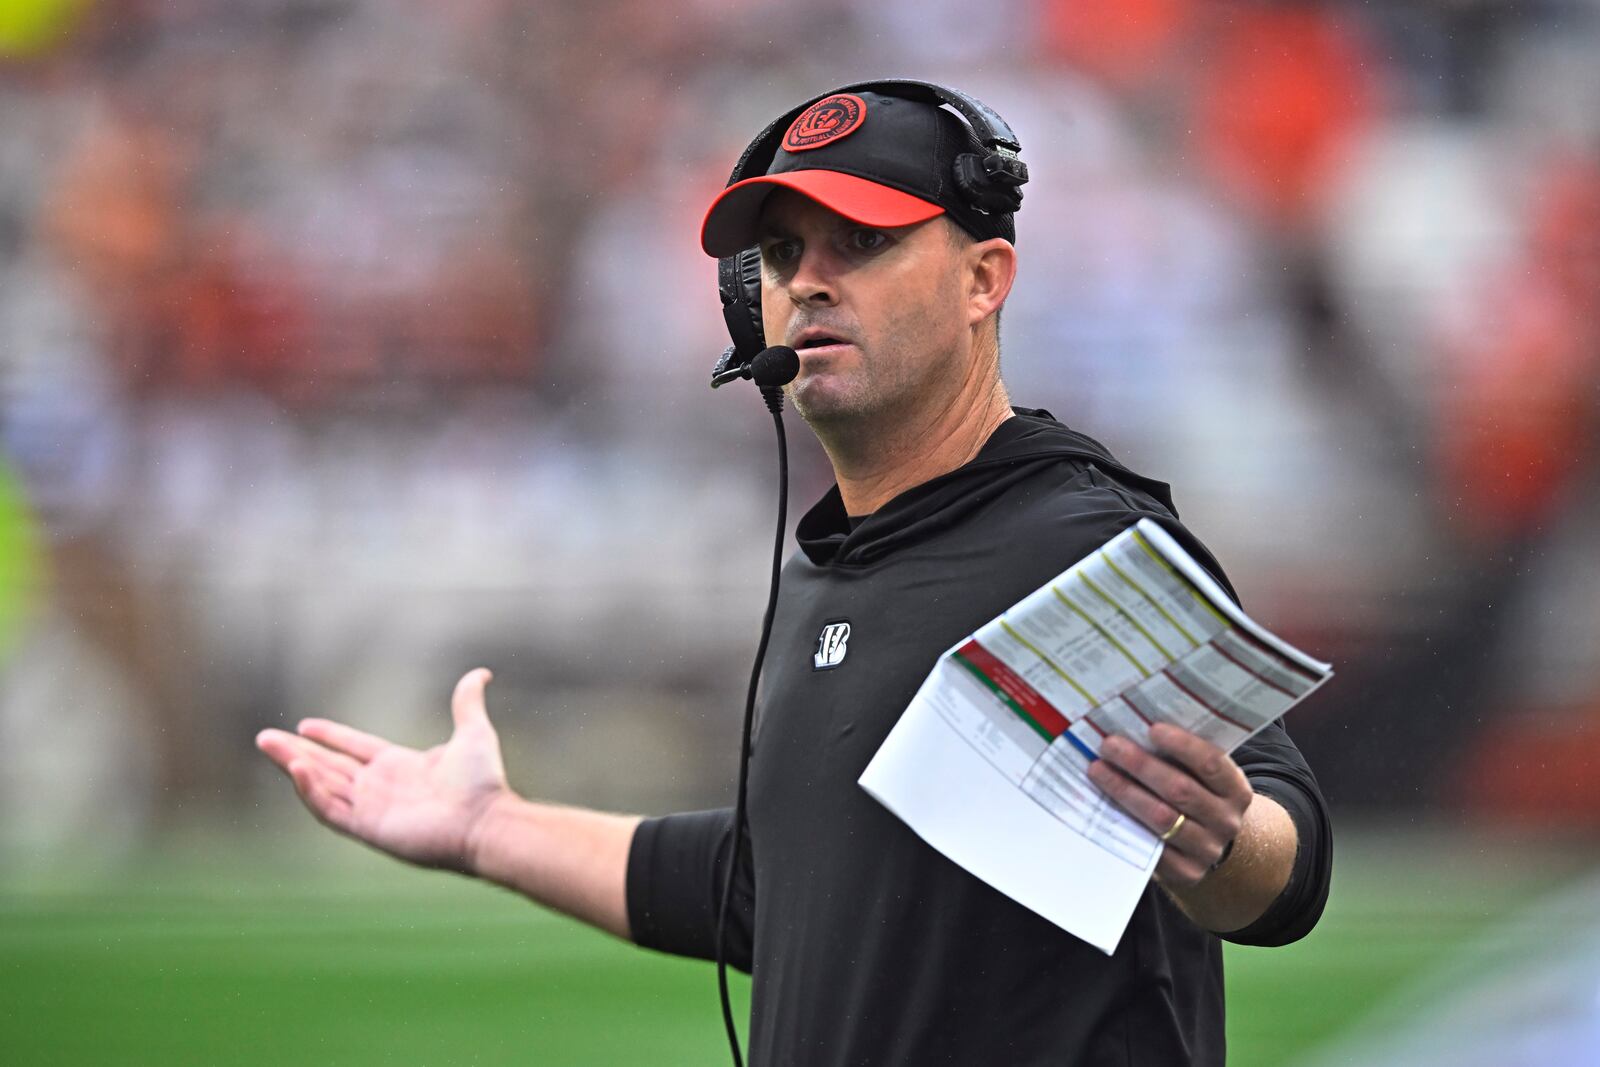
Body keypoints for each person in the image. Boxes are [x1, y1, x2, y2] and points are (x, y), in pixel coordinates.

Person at [257, 84, 1331, 1066]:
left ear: (982, 279)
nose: (807, 280)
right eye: (778, 254)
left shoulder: (1078, 537)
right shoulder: (826, 566)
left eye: (861, 240)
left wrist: (1223, 842)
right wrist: (491, 827)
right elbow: (776, 886)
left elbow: (1287, 861)